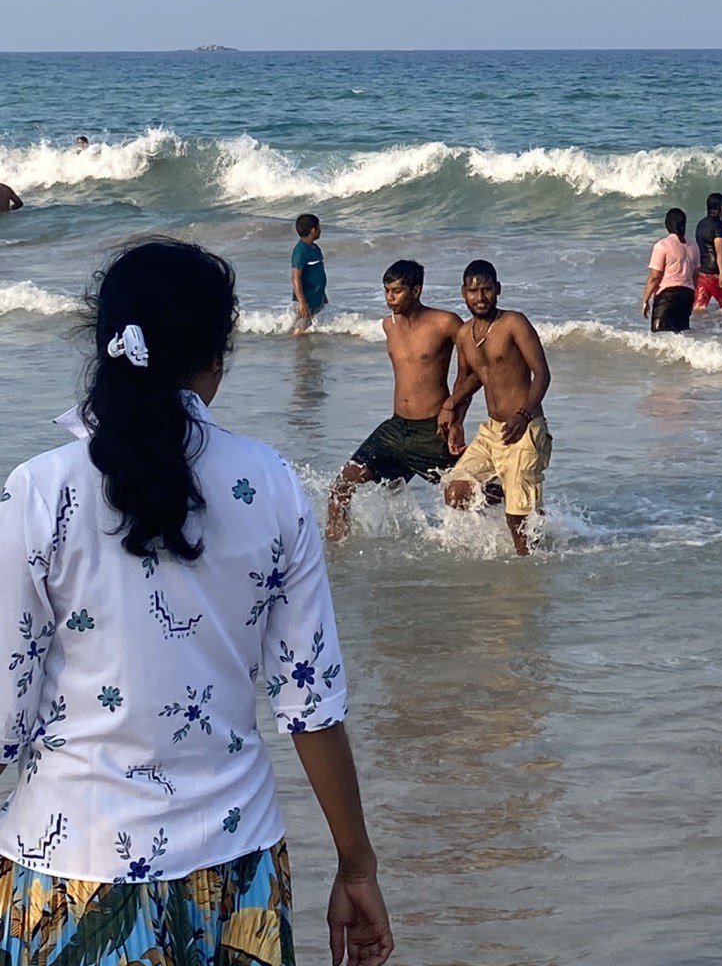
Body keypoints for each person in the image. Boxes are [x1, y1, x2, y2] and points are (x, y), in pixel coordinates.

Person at [0, 240, 392, 965]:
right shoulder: (271, 482)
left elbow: (3, 719)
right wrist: (356, 864)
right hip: (236, 868)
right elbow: (311, 705)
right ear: (217, 356)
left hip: (71, 865)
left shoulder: (39, 491)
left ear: (105, 345)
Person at [326, 260, 464, 541]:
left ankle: (527, 521)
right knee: (340, 489)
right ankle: (335, 561)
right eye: (387, 291)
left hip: (432, 430)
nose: (390, 298)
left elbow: (474, 368)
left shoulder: (445, 322)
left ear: (417, 290)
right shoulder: (388, 325)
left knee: (469, 497)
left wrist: (455, 412)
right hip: (394, 430)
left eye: (397, 291)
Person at [438, 261, 552, 556]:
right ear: (463, 293)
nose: (480, 297)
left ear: (498, 290)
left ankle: (529, 571)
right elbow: (468, 380)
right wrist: (455, 416)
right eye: (473, 291)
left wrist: (523, 414)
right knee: (456, 492)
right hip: (492, 431)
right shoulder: (464, 335)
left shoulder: (514, 323)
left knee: (517, 521)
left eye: (487, 289)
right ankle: (508, 494)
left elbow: (542, 374)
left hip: (524, 428)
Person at [641, 207, 700, 333]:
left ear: (667, 225)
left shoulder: (662, 245)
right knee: (681, 336)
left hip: (667, 296)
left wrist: (646, 300)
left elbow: (655, 277)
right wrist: (692, 295)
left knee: (660, 337)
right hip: (687, 295)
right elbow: (696, 275)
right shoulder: (693, 245)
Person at [693, 192, 722, 312]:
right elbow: (719, 252)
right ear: (720, 208)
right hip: (716, 273)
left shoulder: (701, 224)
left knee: (699, 308)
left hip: (703, 274)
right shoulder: (720, 226)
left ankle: (699, 330)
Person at [291, 213, 327, 335]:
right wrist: (302, 301)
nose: (320, 230)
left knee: (309, 326)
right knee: (301, 328)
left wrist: (323, 293)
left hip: (316, 297)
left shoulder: (315, 248)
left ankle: (306, 349)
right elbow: (296, 278)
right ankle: (294, 349)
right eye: (319, 227)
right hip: (306, 299)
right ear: (313, 230)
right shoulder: (300, 251)